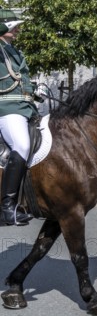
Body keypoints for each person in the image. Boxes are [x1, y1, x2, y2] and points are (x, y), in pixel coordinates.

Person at [0, 20, 38, 226]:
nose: (17, 29)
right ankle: (7, 208)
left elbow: (21, 81)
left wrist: (33, 92)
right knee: (21, 145)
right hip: (7, 109)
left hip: (25, 108)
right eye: (12, 26)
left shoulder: (15, 52)